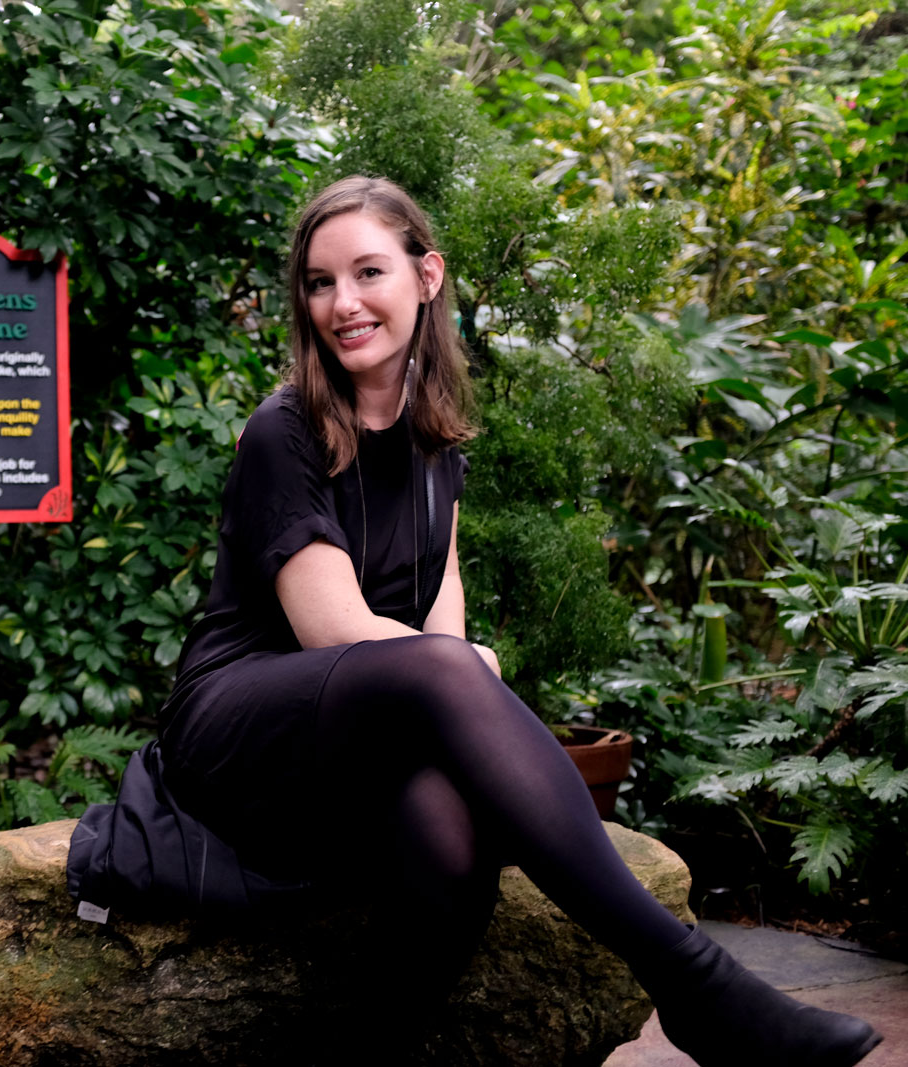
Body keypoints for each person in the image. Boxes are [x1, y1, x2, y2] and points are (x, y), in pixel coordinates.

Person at [148, 176, 883, 1066]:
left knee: (451, 842)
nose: (341, 303)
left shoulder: (435, 434)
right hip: (239, 729)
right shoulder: (285, 431)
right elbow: (335, 631)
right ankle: (693, 982)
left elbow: (438, 588)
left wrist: (455, 667)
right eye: (318, 282)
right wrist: (460, 668)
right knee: (454, 667)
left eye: (367, 272)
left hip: (359, 730)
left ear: (427, 277)